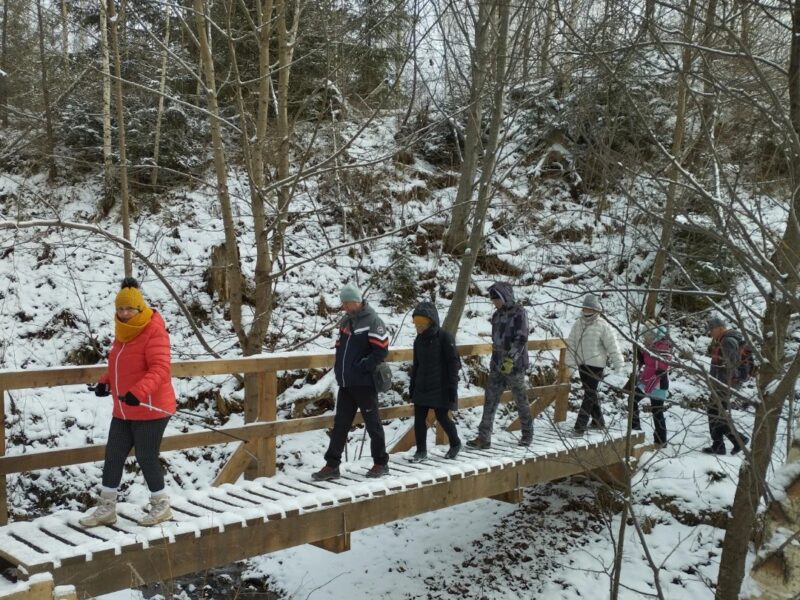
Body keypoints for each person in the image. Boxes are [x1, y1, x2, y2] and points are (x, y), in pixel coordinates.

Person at [79, 277, 176, 528]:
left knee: (146, 456)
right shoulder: (124, 330)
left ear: (139, 308)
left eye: (129, 308)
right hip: (124, 408)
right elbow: (120, 364)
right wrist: (105, 381)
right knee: (113, 455)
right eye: (120, 309)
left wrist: (139, 392)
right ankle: (107, 508)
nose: (124, 313)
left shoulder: (153, 330)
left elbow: (160, 368)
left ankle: (161, 505)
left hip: (151, 408)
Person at [313, 284, 391, 480]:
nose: (345, 307)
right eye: (343, 303)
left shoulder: (373, 321)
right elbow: (340, 348)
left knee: (373, 424)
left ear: (357, 301)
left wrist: (363, 366)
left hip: (364, 383)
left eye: (348, 303)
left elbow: (381, 350)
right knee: (340, 425)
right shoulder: (346, 321)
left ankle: (381, 463)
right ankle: (332, 466)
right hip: (346, 383)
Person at [467, 282, 533, 449]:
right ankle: (484, 437)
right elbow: (495, 341)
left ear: (505, 297)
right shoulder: (496, 316)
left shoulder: (519, 313)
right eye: (493, 299)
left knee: (520, 400)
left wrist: (510, 359)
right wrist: (497, 361)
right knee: (490, 400)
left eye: (497, 299)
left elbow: (522, 338)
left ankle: (527, 434)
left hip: (515, 366)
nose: (495, 302)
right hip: (497, 365)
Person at [409, 301, 462, 462]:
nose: (418, 326)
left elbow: (454, 363)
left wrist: (452, 387)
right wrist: (412, 385)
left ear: (430, 321)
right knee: (419, 418)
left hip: (441, 385)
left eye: (421, 323)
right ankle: (421, 451)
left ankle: (455, 443)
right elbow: (416, 364)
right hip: (422, 385)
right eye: (415, 323)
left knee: (442, 416)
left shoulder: (444, 337)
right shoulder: (418, 340)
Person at [566, 293, 624, 434]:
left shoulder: (602, 325)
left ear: (596, 310)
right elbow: (571, 343)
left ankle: (580, 427)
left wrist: (619, 363)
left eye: (590, 309)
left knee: (589, 394)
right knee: (590, 393)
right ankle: (598, 421)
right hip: (582, 364)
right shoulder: (577, 324)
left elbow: (612, 345)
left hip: (596, 365)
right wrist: (569, 362)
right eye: (585, 308)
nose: (587, 311)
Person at [704, 315, 750, 455]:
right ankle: (721, 444)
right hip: (722, 383)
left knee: (716, 412)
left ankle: (737, 440)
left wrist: (722, 384)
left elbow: (732, 365)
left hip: (724, 384)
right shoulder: (725, 339)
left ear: (720, 328)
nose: (710, 332)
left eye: (712, 329)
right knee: (716, 412)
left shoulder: (728, 341)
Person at [631, 323, 671, 447]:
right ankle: (635, 430)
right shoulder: (651, 345)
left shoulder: (663, 345)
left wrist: (653, 381)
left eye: (646, 336)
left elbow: (664, 365)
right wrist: (639, 351)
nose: (645, 339)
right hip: (646, 380)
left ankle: (660, 440)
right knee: (632, 400)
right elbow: (646, 361)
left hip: (658, 382)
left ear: (653, 335)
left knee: (657, 411)